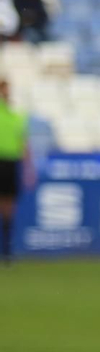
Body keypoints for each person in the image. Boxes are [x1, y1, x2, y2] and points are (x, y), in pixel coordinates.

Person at [0, 79, 25, 265]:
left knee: (9, 206)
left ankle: (7, 251)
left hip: (11, 163)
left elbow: (23, 142)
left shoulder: (17, 116)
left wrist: (28, 168)